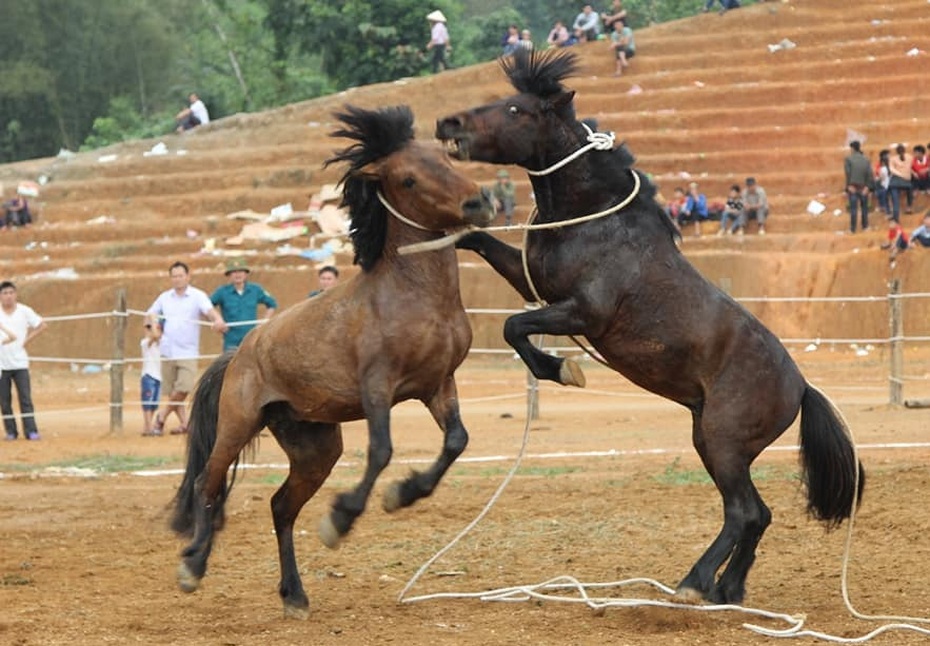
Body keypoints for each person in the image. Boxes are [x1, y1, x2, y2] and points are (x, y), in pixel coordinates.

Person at [147, 261, 226, 435]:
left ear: (188, 277)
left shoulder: (197, 296)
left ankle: (161, 418)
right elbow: (151, 313)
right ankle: (185, 424)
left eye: (180, 276)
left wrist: (218, 321)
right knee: (173, 392)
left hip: (187, 351)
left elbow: (209, 311)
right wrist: (154, 327)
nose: (177, 279)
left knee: (183, 388)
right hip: (167, 350)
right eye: (174, 276)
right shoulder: (165, 297)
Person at [0, 281, 47, 441]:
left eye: (11, 292)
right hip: (1, 365)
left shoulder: (24, 310)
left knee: (25, 398)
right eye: (5, 293)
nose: (8, 296)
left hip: (20, 363)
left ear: (16, 294)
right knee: (4, 401)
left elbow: (41, 325)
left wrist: (26, 340)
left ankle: (31, 431)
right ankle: (11, 431)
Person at [210, 257, 277, 353]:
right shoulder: (222, 292)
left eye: (241, 271)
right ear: (229, 275)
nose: (238, 275)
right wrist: (217, 320)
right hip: (231, 340)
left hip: (251, 339)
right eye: (234, 272)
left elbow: (272, 304)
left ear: (246, 274)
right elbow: (207, 306)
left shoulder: (255, 289)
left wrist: (264, 322)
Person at [140, 315, 163, 437]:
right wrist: (152, 321)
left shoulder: (159, 343)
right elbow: (154, 336)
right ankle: (148, 427)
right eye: (148, 328)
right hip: (148, 375)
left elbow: (157, 336)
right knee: (147, 403)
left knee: (154, 403)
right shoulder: (145, 343)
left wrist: (153, 323)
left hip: (158, 377)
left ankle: (147, 426)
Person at [844, 141, 872, 233]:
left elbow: (848, 174)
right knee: (864, 208)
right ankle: (865, 227)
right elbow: (869, 174)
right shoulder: (866, 159)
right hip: (863, 187)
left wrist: (848, 186)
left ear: (852, 148)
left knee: (853, 209)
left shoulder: (848, 159)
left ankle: (852, 229)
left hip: (853, 187)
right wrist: (868, 187)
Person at [888, 143, 913, 221]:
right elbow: (911, 167)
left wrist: (901, 174)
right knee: (910, 191)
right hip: (907, 181)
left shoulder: (892, 158)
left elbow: (892, 170)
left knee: (895, 201)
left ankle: (895, 217)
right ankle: (909, 207)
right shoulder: (910, 157)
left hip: (895, 181)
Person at [874, 149, 892, 218]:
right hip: (887, 184)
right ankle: (883, 206)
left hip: (885, 185)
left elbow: (880, 177)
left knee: (883, 195)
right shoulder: (881, 166)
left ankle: (884, 207)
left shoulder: (883, 167)